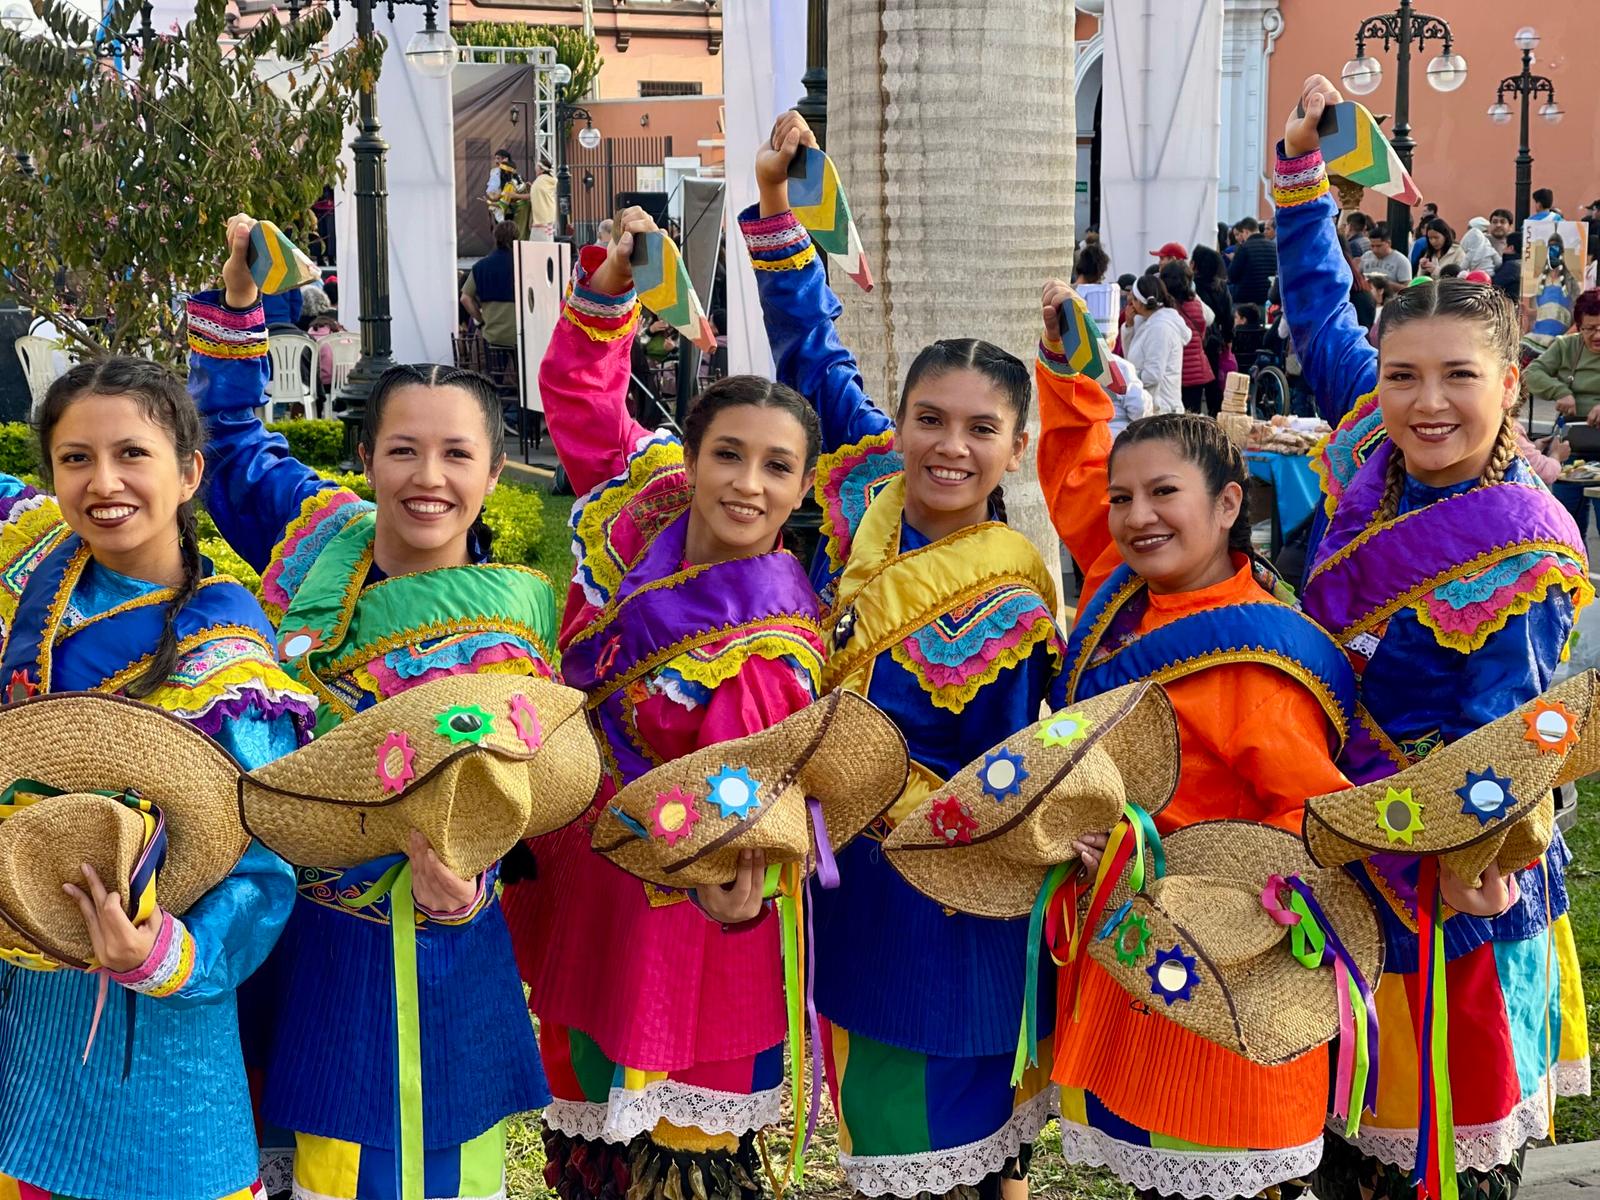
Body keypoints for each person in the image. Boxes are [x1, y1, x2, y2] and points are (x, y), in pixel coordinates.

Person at [195, 215, 560, 1200]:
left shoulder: (508, 631)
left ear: (493, 476)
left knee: (409, 1171)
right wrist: (241, 301)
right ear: (366, 461)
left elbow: (521, 808)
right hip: (277, 920)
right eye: (402, 450)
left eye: (455, 457)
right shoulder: (325, 533)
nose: (426, 478)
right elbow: (229, 445)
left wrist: (469, 880)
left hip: (415, 941)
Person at [743, 110, 1066, 1200]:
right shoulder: (858, 497)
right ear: (902, 421)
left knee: (965, 1133)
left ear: (1014, 447)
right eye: (929, 418)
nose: (949, 445)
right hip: (852, 881)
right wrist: (779, 208)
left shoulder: (1016, 591)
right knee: (879, 1122)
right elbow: (808, 349)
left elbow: (1025, 760)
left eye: (981, 429)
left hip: (960, 894)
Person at [1277, 75, 1591, 1200]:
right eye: (1403, 375)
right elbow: (1318, 315)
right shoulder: (1380, 442)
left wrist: (1474, 862)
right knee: (1346, 1137)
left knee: (1428, 1147)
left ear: (1510, 385)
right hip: (1347, 842)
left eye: (1459, 378)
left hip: (1454, 870)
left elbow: (1508, 730)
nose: (1426, 402)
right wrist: (1302, 172)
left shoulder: (1524, 544)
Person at [503, 206, 826, 1200]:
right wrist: (608, 284)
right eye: (728, 453)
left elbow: (742, 788)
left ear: (804, 489)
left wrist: (740, 874)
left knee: (682, 1152)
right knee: (586, 1126)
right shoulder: (643, 506)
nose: (746, 482)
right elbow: (580, 403)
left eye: (777, 467)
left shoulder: (778, 636)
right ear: (690, 455)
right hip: (578, 871)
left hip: (688, 905)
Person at [1035, 285, 1357, 1200]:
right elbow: (1075, 474)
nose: (1137, 516)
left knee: (1220, 1171)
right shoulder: (1126, 589)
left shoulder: (1255, 658)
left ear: (1227, 506)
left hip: (1226, 969)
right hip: (1137, 950)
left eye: (1164, 495)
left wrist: (1228, 903)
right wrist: (1069, 372)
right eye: (1126, 498)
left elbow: (1306, 822)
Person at [0, 358, 316, 1200]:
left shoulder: (232, 660)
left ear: (188, 473)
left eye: (131, 455)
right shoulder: (28, 593)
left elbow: (262, 873)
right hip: (19, 1006)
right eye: (75, 459)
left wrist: (164, 955)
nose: (103, 482)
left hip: (158, 1038)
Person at [1122, 272, 1188, 418]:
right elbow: (1129, 358)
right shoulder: (1144, 322)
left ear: (1140, 302)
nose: (1129, 300)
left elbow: (1153, 375)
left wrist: (1129, 378)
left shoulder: (1160, 328)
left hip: (1163, 410)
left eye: (1132, 296)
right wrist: (1129, 325)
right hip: (1152, 407)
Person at [1160, 260, 1215, 415]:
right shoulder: (1197, 304)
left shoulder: (1166, 310)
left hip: (1177, 371)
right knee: (1193, 418)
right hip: (1197, 372)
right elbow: (1210, 319)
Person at [460, 219, 520, 349]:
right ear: (516, 238)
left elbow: (465, 298)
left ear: (495, 238)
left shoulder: (480, 266)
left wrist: (481, 321)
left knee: (493, 368)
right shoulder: (524, 264)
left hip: (493, 336)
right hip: (521, 335)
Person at [1191, 243, 1234, 405]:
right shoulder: (1221, 287)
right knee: (1214, 385)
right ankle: (1215, 418)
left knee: (1194, 386)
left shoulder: (1192, 287)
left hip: (1195, 340)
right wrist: (1228, 339)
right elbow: (1228, 316)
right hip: (1215, 341)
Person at [1228, 216, 1277, 305]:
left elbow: (1232, 276)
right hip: (1268, 299)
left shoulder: (1243, 248)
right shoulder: (1273, 247)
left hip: (1246, 301)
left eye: (1242, 234)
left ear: (1246, 231)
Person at [1360, 221, 1413, 295]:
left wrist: (1385, 283)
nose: (1375, 250)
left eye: (1379, 246)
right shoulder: (1366, 256)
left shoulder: (1401, 261)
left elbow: (1408, 289)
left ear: (1389, 243)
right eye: (1372, 246)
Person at [1493, 229, 1523, 302]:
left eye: (1505, 245)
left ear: (1511, 248)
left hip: (1509, 306)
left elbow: (1493, 285)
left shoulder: (1512, 266)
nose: (1503, 248)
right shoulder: (1521, 263)